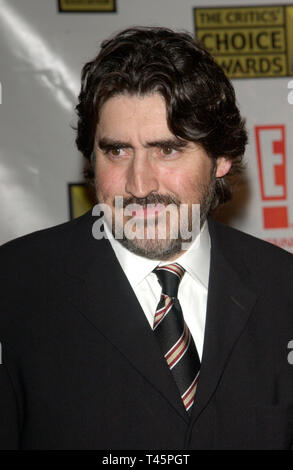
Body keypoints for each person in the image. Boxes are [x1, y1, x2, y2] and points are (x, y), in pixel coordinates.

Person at [0, 26, 293, 450]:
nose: (139, 184)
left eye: (167, 149)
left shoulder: (283, 289)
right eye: (117, 151)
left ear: (222, 157)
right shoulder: (14, 288)